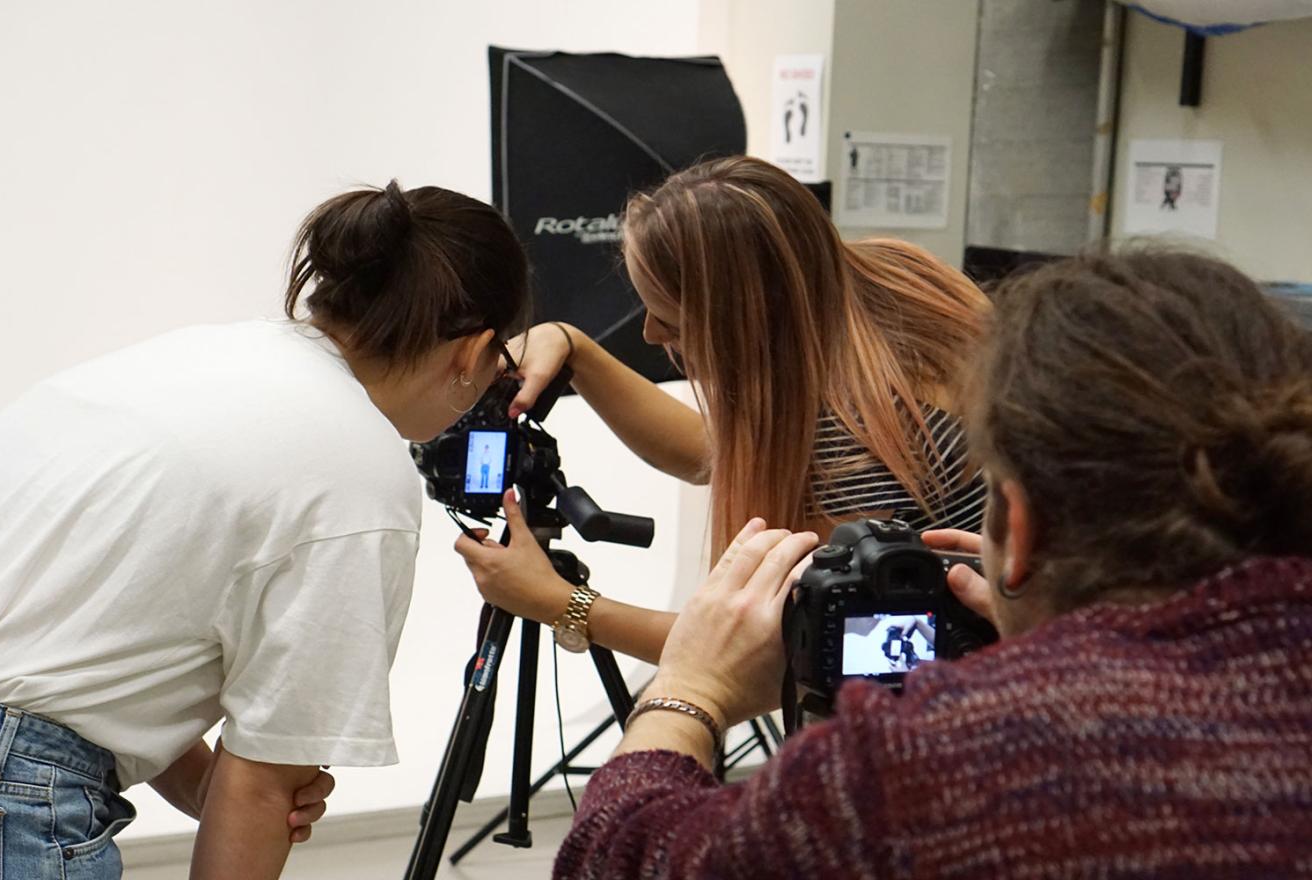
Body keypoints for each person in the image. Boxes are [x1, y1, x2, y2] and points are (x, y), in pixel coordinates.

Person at [552, 248, 1312, 878]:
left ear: (1016, 526)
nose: (654, 333)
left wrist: (687, 689)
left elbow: (622, 858)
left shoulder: (925, 764)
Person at [0, 180, 528, 879]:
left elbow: (80, 657)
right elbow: (263, 785)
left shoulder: (195, 358)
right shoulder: (356, 475)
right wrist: (252, 791)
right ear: (473, 352)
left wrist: (211, 787)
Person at [456, 156, 989, 665]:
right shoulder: (884, 281)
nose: (650, 333)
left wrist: (557, 601)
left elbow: (764, 653)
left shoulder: (855, 452)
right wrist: (574, 347)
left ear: (743, 323)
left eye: (672, 322)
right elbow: (712, 452)